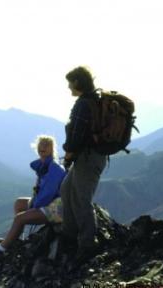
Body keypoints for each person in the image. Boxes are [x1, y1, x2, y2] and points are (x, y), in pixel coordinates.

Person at [0, 135, 66, 263]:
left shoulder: (55, 169)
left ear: (52, 149)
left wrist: (32, 209)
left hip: (57, 209)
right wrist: (32, 206)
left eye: (46, 145)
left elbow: (47, 194)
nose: (42, 147)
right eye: (40, 144)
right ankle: (16, 240)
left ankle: (0, 250)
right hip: (48, 203)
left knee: (20, 218)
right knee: (19, 203)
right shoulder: (43, 165)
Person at [60, 66, 107, 265]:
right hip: (90, 156)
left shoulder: (82, 104)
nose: (68, 86)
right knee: (66, 189)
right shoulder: (94, 99)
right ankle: (70, 235)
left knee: (81, 199)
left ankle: (87, 245)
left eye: (70, 82)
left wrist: (68, 154)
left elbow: (76, 136)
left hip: (87, 158)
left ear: (77, 82)